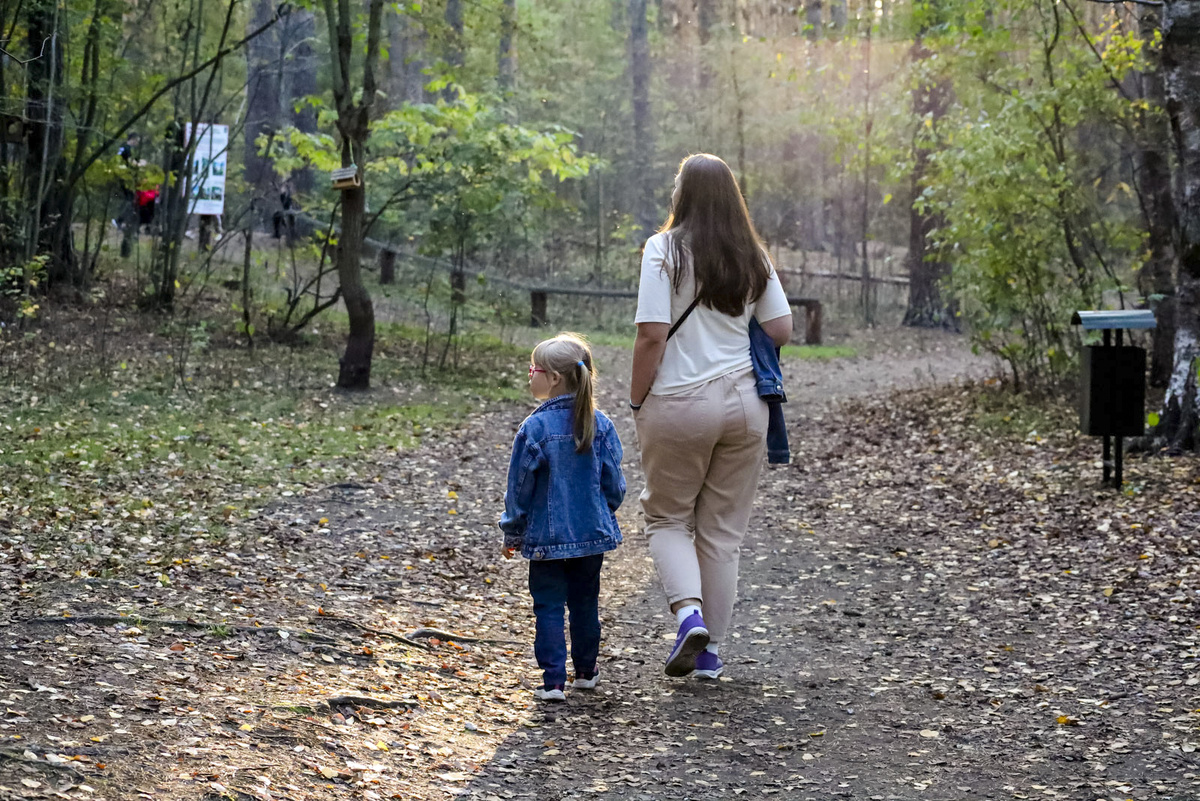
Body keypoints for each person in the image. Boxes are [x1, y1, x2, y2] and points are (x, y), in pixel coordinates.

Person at [630, 153, 793, 680]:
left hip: (679, 401)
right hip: (746, 405)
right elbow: (781, 328)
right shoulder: (752, 255)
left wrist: (637, 399)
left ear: (683, 194)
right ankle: (710, 655)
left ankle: (688, 616)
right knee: (722, 532)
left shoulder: (663, 249)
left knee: (668, 517)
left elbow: (651, 334)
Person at [499, 333, 626, 702]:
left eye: (533, 370)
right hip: (591, 536)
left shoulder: (534, 428)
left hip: (546, 540)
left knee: (549, 606)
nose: (529, 376)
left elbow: (518, 489)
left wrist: (513, 531)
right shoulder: (601, 424)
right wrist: (601, 512)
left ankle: (553, 682)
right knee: (586, 602)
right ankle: (586, 671)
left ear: (554, 378)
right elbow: (614, 485)